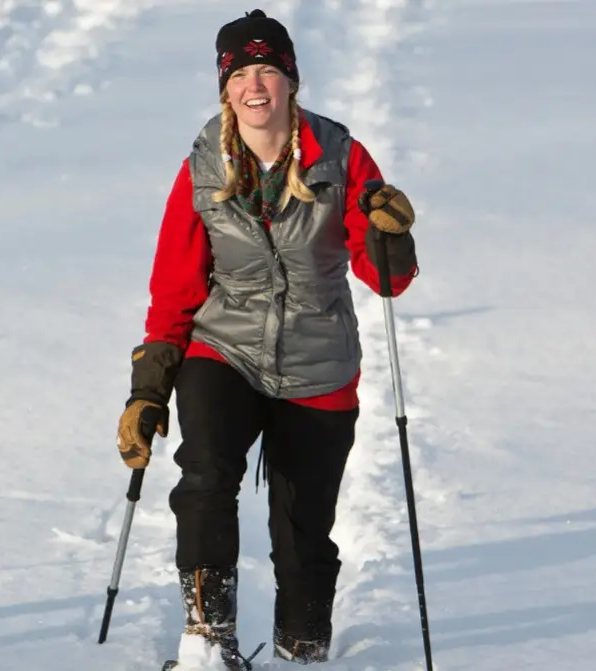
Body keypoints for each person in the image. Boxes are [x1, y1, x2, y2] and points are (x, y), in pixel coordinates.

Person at [115, 9, 419, 669]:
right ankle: (205, 643)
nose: (256, 86)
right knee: (203, 476)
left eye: (269, 71)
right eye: (242, 73)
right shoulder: (202, 166)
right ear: (224, 87)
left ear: (292, 81)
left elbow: (387, 280)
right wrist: (147, 389)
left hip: (318, 360)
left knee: (301, 531)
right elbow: (174, 289)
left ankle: (302, 651)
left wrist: (387, 231)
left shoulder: (340, 156)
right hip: (223, 346)